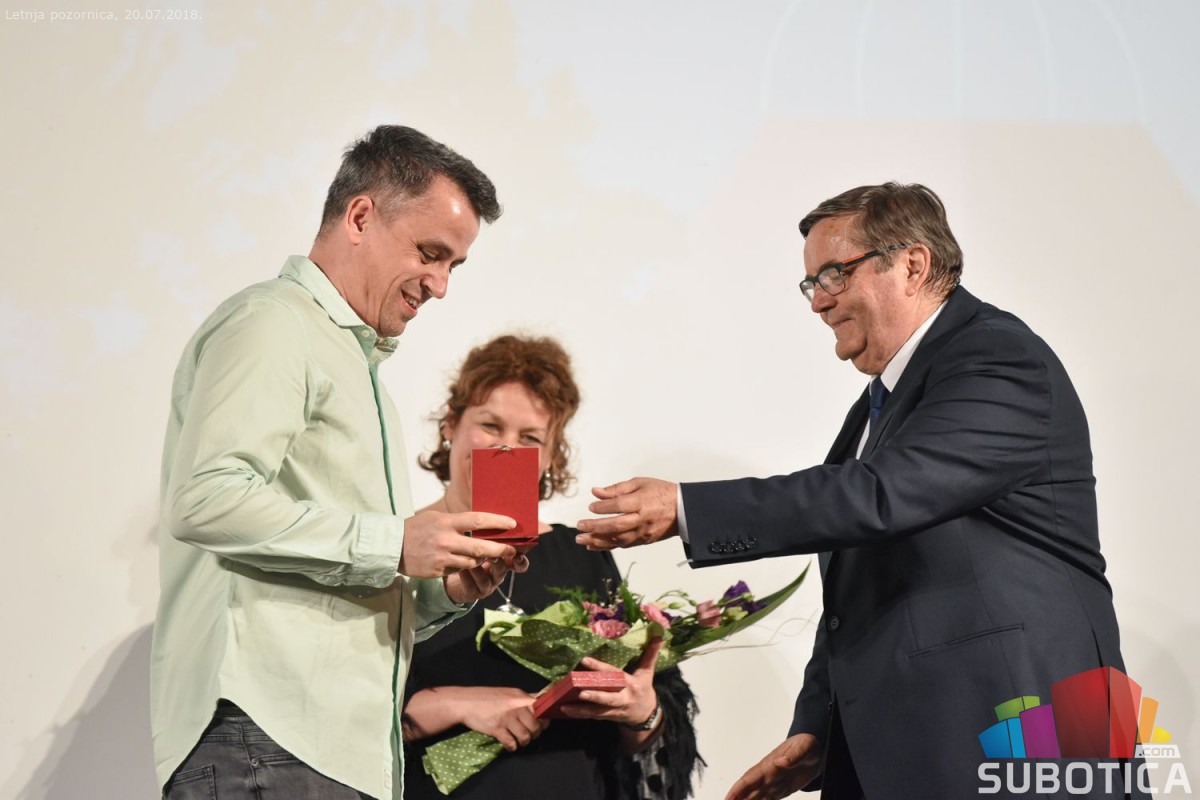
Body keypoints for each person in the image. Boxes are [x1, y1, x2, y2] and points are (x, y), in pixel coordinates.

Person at [575, 183, 1130, 799]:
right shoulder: (879, 405)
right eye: (811, 284)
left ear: (912, 265)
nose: (818, 302)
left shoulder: (999, 358)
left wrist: (687, 508)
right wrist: (819, 727)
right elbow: (861, 581)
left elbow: (876, 496)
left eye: (834, 275)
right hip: (920, 752)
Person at [152, 125, 528, 800]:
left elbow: (346, 581)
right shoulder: (276, 323)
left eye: (454, 266)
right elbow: (204, 498)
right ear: (359, 217)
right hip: (268, 739)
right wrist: (394, 542)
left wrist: (446, 590)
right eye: (431, 254)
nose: (441, 285)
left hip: (323, 751)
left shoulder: (359, 370)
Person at [401, 334, 702, 800]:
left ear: (551, 456)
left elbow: (649, 733)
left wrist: (642, 709)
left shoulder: (580, 553)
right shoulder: (402, 549)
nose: (506, 448)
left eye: (530, 438)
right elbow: (340, 710)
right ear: (451, 426)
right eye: (490, 426)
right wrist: (457, 704)